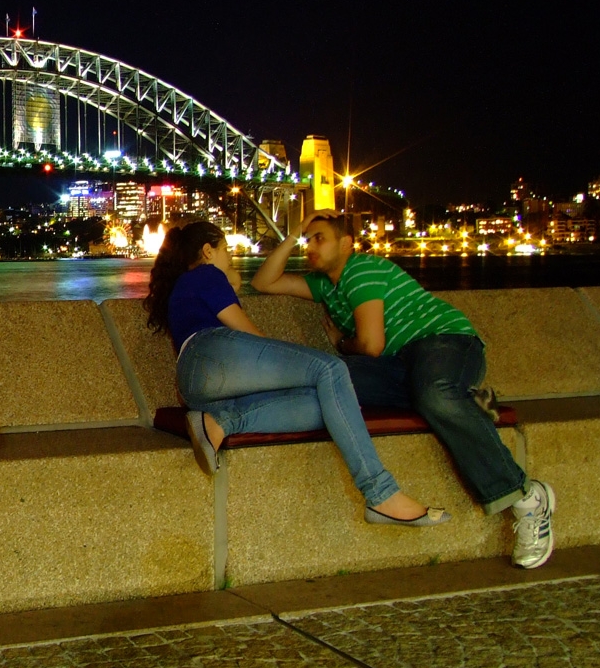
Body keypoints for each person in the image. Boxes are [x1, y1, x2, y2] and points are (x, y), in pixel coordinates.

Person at [252, 210, 556, 568]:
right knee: (334, 382)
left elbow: (371, 345)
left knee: (433, 394)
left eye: (319, 238)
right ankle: (466, 400)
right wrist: (291, 237)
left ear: (346, 244)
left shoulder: (360, 269)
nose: (310, 247)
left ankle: (525, 496)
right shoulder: (324, 285)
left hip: (442, 342)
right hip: (402, 366)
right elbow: (264, 282)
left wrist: (342, 342)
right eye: (308, 240)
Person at [145, 219, 446, 524]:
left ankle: (218, 422)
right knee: (330, 369)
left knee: (324, 405)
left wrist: (232, 278)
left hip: (197, 387)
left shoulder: (189, 285)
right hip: (212, 353)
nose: (232, 257)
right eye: (226, 249)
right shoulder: (206, 274)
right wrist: (286, 358)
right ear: (207, 251)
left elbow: (231, 298)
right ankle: (381, 493)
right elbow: (248, 335)